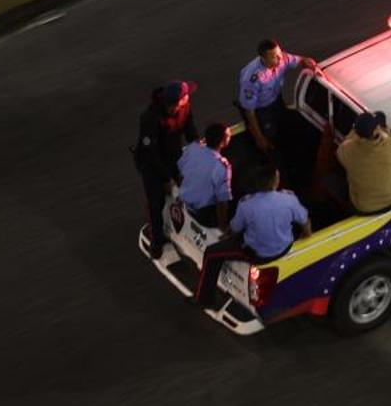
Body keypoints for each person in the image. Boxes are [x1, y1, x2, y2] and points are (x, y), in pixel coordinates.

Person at [194, 164, 312, 307]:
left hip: (257, 254)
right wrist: (305, 235)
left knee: (211, 253)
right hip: (283, 249)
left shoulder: (246, 204)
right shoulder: (289, 199)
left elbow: (235, 229)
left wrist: (226, 236)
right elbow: (305, 222)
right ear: (275, 181)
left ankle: (203, 300)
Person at [133, 80, 198, 260]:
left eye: (180, 103)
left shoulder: (185, 108)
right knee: (156, 201)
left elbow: (191, 131)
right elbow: (150, 152)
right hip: (151, 162)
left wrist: (199, 150)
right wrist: (166, 178)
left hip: (173, 155)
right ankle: (156, 241)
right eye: (172, 106)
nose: (175, 109)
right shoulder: (150, 117)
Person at [238, 39, 317, 155]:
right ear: (264, 58)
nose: (280, 58)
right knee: (269, 138)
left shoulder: (281, 58)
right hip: (262, 110)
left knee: (284, 124)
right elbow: (249, 111)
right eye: (275, 57)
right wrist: (259, 138)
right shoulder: (251, 79)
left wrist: (311, 64)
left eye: (279, 53)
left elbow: (301, 60)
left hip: (277, 100)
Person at [335, 111, 391, 215]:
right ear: (377, 130)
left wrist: (354, 132)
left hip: (361, 207)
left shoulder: (347, 150)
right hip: (389, 202)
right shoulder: (390, 146)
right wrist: (388, 135)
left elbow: (341, 149)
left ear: (356, 133)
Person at [178, 122, 233, 231]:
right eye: (228, 135)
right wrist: (223, 226)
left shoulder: (192, 150)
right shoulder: (222, 166)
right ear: (222, 142)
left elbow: (180, 174)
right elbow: (222, 201)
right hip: (204, 215)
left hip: (185, 205)